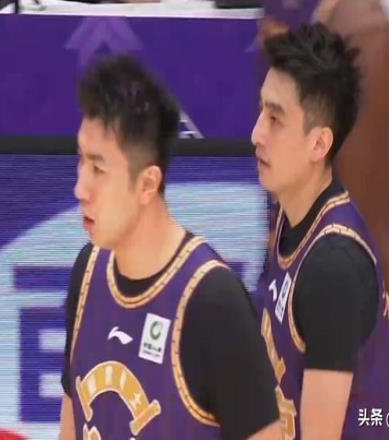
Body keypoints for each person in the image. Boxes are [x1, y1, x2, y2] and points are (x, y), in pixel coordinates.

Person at [59, 54, 281, 440]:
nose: (80, 188)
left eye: (98, 169)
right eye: (80, 161)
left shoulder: (213, 302)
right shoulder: (88, 273)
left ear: (147, 184)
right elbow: (71, 426)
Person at [260, 0, 389, 429]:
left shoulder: (364, 34)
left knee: (366, 262)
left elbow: (367, 242)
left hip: (355, 245)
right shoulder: (320, 24)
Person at [252, 23, 389, 439]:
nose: (256, 134)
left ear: (319, 144)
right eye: (261, 111)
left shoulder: (333, 266)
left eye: (275, 119)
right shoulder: (295, 215)